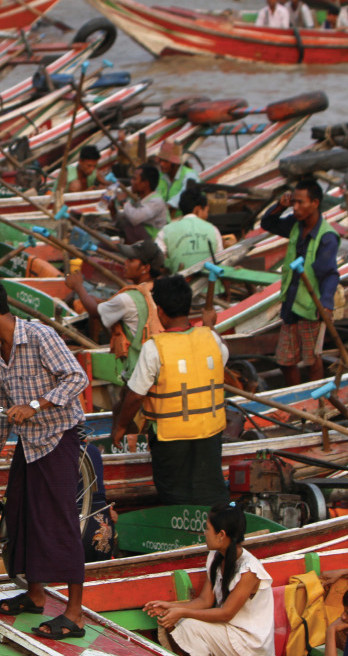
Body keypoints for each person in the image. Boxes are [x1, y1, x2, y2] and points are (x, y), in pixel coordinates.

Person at [0, 273, 90, 640]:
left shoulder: (39, 337)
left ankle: (75, 613)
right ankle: (35, 594)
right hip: (28, 446)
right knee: (21, 515)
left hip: (58, 437)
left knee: (59, 520)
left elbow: (77, 378)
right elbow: (0, 411)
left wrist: (36, 405)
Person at [113, 274, 228, 505]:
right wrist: (210, 325)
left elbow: (135, 396)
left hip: (171, 437)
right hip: (210, 433)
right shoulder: (211, 338)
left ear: (161, 312)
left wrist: (121, 426)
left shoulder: (154, 348)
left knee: (175, 495)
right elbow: (221, 359)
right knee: (210, 491)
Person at [144, 504, 275, 656]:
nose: (204, 534)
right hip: (228, 633)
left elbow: (226, 613)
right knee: (173, 621)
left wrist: (182, 611)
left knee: (189, 626)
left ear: (221, 535)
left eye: (207, 529)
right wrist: (169, 606)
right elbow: (205, 601)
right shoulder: (216, 556)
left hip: (249, 646)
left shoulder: (249, 569)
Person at [259, 178, 339, 385]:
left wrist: (327, 305)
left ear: (315, 203)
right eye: (293, 202)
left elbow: (330, 274)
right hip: (291, 301)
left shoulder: (326, 237)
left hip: (311, 306)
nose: (295, 207)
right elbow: (267, 223)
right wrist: (280, 206)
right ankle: (294, 394)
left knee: (312, 359)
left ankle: (316, 400)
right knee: (285, 360)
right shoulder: (295, 224)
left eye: (300, 203)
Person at [64, 239, 164, 385]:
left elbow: (94, 312)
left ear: (145, 267)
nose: (125, 263)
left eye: (131, 260)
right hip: (158, 361)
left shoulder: (127, 299)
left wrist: (78, 286)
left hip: (139, 368)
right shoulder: (159, 287)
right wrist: (100, 300)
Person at [157, 184, 222, 275]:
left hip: (178, 284)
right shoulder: (212, 229)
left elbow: (158, 260)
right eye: (206, 211)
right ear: (197, 209)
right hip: (209, 285)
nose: (207, 216)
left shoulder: (166, 230)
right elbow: (220, 260)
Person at [110, 164, 168, 244]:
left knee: (134, 225)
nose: (131, 182)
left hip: (155, 243)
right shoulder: (140, 199)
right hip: (143, 242)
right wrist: (113, 211)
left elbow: (135, 218)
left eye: (135, 179)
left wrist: (123, 202)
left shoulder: (156, 201)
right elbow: (125, 217)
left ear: (145, 184)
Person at [155, 140, 197, 210]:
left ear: (175, 163)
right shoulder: (159, 176)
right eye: (161, 160)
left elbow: (183, 195)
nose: (161, 164)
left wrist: (167, 207)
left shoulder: (190, 175)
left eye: (166, 161)